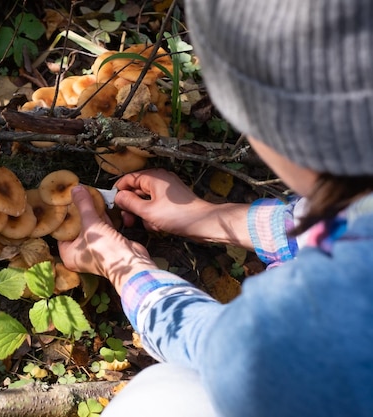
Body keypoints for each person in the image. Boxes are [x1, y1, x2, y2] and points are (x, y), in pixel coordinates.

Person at [58, 0, 373, 416]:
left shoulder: (330, 308)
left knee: (159, 398)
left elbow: (232, 355)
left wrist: (124, 267)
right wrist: (210, 217)